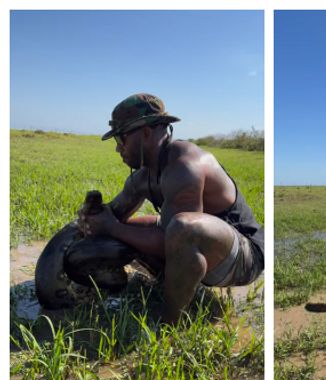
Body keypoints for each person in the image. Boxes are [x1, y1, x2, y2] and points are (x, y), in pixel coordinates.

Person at [80, 93, 264, 323]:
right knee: (132, 227)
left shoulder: (185, 165)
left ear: (145, 133)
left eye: (121, 139)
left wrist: (111, 228)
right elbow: (112, 215)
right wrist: (93, 216)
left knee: (182, 228)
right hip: (204, 247)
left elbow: (173, 237)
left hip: (245, 257)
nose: (119, 149)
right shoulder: (142, 177)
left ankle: (170, 322)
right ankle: (173, 284)